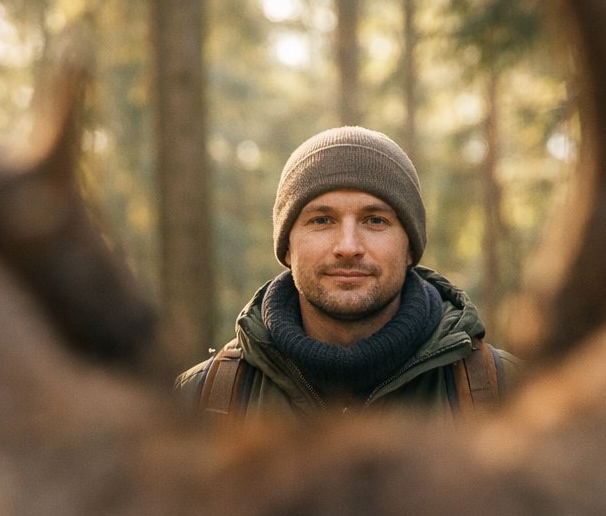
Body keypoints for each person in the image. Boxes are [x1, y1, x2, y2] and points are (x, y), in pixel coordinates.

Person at [177, 126, 516, 418]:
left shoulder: (506, 393)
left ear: (411, 246)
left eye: (375, 220)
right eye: (322, 220)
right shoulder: (201, 400)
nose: (348, 246)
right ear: (286, 249)